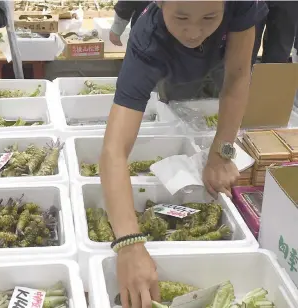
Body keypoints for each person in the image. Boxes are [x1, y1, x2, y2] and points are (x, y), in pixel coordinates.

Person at [100, 1, 267, 308]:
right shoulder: (146, 39)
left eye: (209, 17)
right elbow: (113, 151)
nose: (194, 31)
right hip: (171, 70)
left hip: (221, 63)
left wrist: (222, 154)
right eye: (181, 17)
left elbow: (238, 77)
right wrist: (128, 243)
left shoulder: (242, 6)